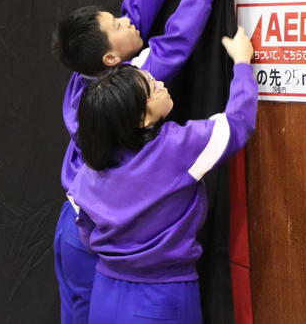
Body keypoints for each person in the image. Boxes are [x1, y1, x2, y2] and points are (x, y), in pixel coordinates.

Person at [50, 0, 233, 323]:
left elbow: (138, 6)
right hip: (92, 238)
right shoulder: (132, 84)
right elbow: (179, 36)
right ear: (112, 60)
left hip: (80, 227)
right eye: (116, 25)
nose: (127, 19)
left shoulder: (87, 76)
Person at [68, 26, 257, 324]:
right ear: (140, 118)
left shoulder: (90, 169)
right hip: (161, 298)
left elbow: (85, 228)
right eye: (152, 88)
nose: (161, 84)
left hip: (105, 294)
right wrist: (243, 63)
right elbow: (238, 123)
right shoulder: (175, 147)